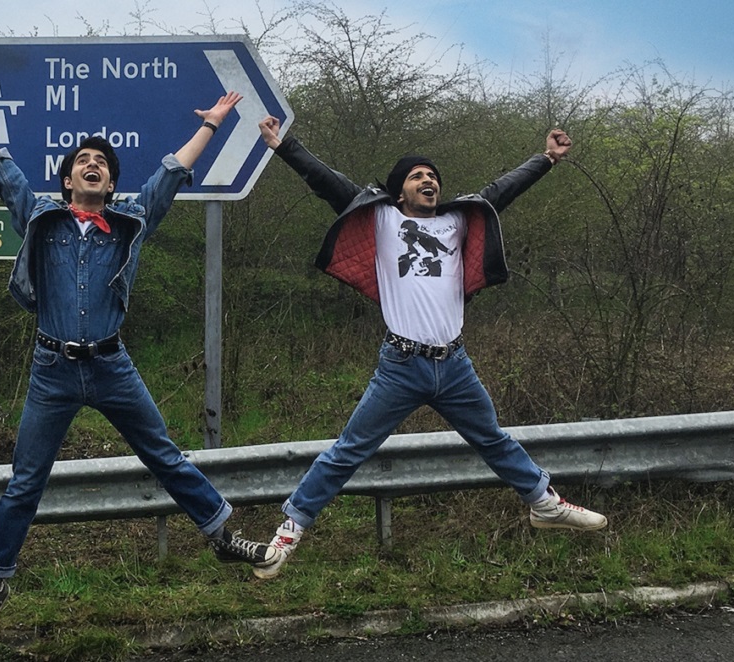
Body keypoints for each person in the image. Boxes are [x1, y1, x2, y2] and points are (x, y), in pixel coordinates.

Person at [0, 77, 281, 648]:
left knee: (165, 455)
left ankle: (223, 536)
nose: (93, 165)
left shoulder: (130, 221)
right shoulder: (41, 218)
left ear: (111, 182)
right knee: (25, 482)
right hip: (52, 370)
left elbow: (170, 174)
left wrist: (210, 124)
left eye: (101, 162)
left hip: (111, 365)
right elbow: (3, 171)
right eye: (83, 161)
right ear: (67, 180)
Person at [251, 117, 608, 580]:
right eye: (417, 176)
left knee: (493, 439)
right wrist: (284, 146)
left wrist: (546, 159)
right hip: (401, 366)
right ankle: (289, 532)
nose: (429, 180)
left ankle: (544, 504)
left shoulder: (457, 221)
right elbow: (329, 183)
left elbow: (501, 191)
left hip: (454, 365)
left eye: (433, 175)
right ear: (399, 192)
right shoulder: (383, 218)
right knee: (348, 451)